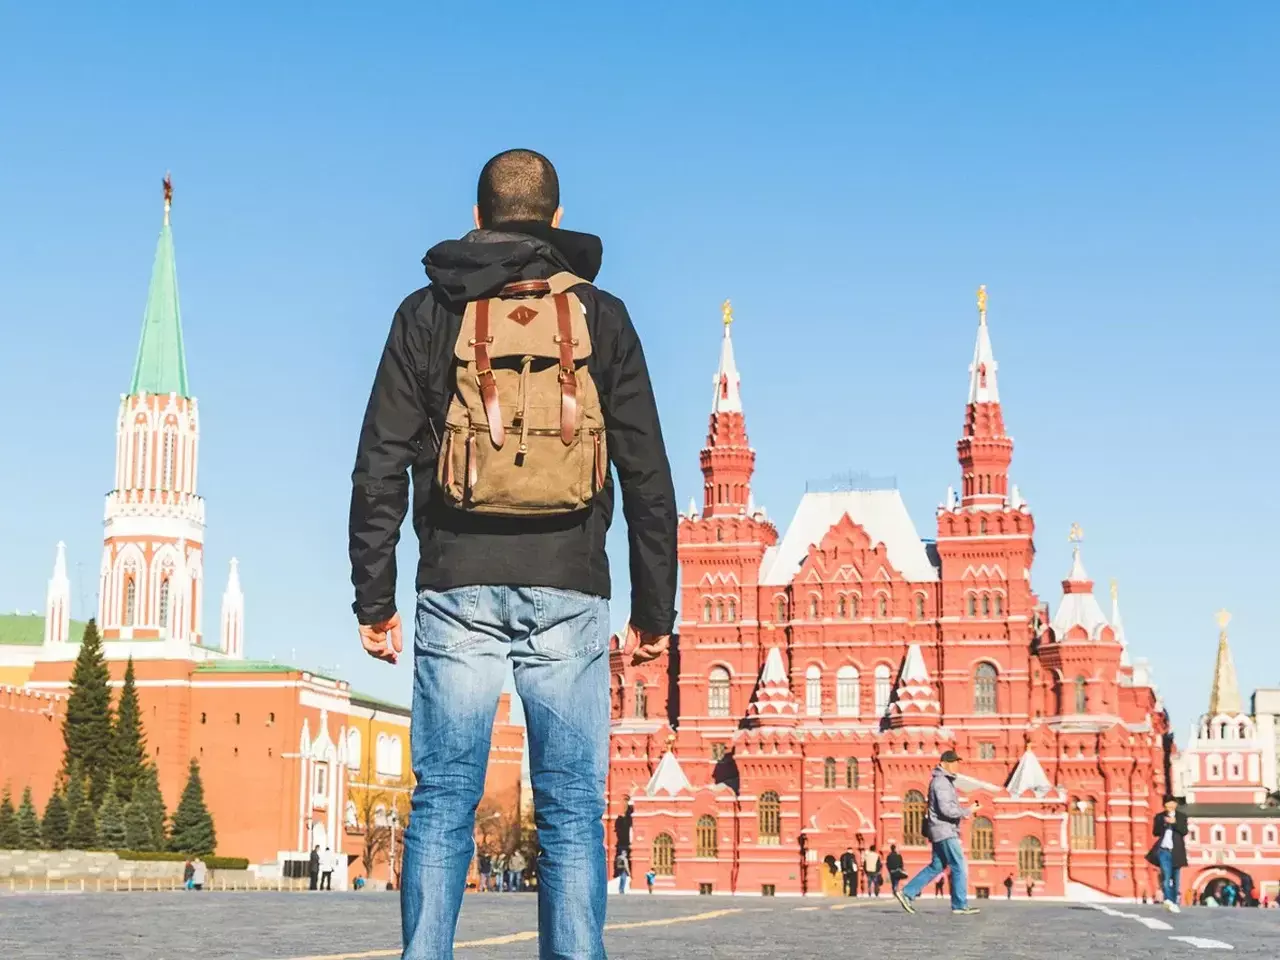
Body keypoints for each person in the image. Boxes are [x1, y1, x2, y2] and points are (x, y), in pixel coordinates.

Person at [350, 149, 677, 960]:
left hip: (454, 581)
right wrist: (654, 610)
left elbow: (379, 461)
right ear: (556, 220)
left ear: (478, 216)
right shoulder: (601, 316)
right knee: (571, 807)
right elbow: (646, 470)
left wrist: (373, 599)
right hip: (570, 583)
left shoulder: (428, 311)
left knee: (443, 800)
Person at [894, 750, 980, 916]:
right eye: (952, 762)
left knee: (937, 866)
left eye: (957, 762)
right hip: (945, 830)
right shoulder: (941, 782)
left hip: (939, 830)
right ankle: (960, 905)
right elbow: (946, 809)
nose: (956, 765)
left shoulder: (944, 781)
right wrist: (968, 811)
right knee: (958, 865)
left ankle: (907, 893)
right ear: (943, 763)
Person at [1147, 795, 1187, 914]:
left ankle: (1173, 902)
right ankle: (1168, 900)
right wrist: (1164, 823)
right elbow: (1155, 832)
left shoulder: (1181, 817)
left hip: (1176, 852)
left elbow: (1184, 831)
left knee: (1176, 880)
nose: (1170, 806)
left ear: (1175, 805)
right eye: (1167, 804)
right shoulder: (1160, 817)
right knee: (1166, 877)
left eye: (1172, 803)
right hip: (1163, 851)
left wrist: (1174, 823)